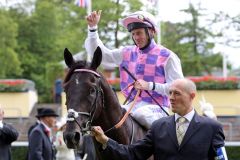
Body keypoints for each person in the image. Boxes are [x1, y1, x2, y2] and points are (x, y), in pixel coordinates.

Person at [85, 10, 184, 129]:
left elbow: (178, 88)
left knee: (141, 114)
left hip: (158, 108)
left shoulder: (168, 56)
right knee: (110, 116)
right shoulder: (126, 52)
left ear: (151, 32)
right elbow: (102, 55)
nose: (136, 37)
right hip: (132, 105)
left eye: (139, 33)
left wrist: (150, 86)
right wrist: (92, 29)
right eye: (133, 34)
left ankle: (167, 144)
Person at [91, 78, 228, 160]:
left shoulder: (212, 128)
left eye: (177, 94)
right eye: (170, 93)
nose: (171, 98)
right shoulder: (158, 126)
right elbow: (132, 154)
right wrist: (106, 141)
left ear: (192, 96)